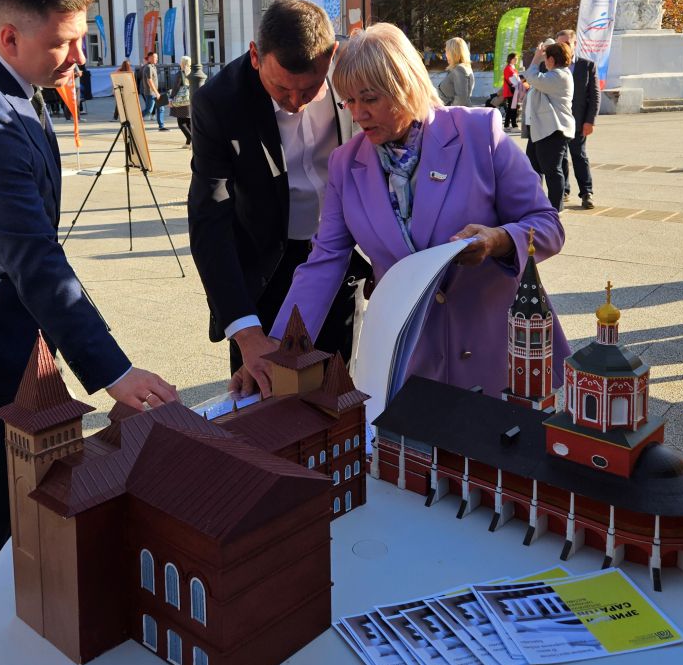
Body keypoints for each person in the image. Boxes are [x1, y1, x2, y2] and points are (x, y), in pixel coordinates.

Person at [0, 0, 177, 560]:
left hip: (12, 336)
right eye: (65, 42)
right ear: (10, 36)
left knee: (30, 520)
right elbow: (35, 257)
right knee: (4, 533)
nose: (81, 57)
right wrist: (114, 372)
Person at [234, 22, 567, 401]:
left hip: (503, 357)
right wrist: (277, 351)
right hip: (413, 363)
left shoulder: (478, 133)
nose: (358, 114)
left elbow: (547, 226)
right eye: (349, 101)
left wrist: (499, 240)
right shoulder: (345, 163)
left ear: (405, 85)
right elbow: (323, 263)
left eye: (369, 99)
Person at [188, 0, 367, 391]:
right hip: (265, 267)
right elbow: (210, 217)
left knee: (338, 390)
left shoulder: (354, 69)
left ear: (331, 57)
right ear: (255, 56)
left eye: (310, 89)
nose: (294, 103)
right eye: (281, 88)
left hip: (340, 257)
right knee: (264, 395)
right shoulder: (219, 102)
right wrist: (245, 330)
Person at [523, 40, 575, 212]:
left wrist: (536, 58)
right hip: (541, 130)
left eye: (546, 58)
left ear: (551, 59)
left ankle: (555, 210)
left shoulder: (559, 76)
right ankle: (537, 205)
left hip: (553, 130)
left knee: (552, 171)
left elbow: (531, 77)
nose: (544, 61)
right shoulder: (553, 76)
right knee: (533, 170)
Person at [556, 28, 600, 210]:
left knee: (579, 155)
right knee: (559, 158)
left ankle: (586, 192)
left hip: (578, 121)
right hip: (556, 121)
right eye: (560, 44)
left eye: (567, 43)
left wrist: (590, 121)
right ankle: (563, 190)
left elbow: (595, 96)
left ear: (575, 44)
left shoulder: (587, 66)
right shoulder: (550, 65)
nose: (563, 47)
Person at [437, 37, 474, 106]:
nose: (446, 54)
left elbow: (461, 98)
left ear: (453, 52)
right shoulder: (462, 68)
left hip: (455, 112)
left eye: (446, 51)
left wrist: (450, 109)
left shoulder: (460, 69)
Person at [169, 54, 192, 146]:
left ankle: (192, 140)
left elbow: (176, 88)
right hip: (189, 100)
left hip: (181, 101)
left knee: (181, 123)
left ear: (182, 63)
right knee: (188, 122)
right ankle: (188, 143)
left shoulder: (180, 73)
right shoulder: (192, 72)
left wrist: (171, 98)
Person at [140, 50, 166, 129]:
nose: (157, 59)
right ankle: (134, 119)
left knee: (161, 108)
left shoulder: (153, 66)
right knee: (149, 110)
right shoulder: (148, 67)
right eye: (155, 57)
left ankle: (161, 126)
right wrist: (156, 92)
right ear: (150, 58)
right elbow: (149, 81)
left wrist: (157, 92)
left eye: (157, 57)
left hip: (155, 92)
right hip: (150, 93)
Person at [501, 53, 520, 129]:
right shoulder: (508, 68)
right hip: (511, 91)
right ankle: (514, 125)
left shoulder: (512, 67)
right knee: (513, 108)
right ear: (510, 59)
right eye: (515, 58)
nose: (516, 59)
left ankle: (506, 125)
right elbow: (513, 81)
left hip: (512, 90)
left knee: (510, 108)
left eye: (517, 58)